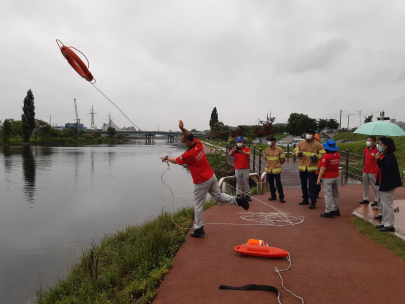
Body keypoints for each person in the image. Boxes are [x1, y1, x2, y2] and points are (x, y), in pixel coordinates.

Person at [161, 120, 249, 238]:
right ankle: (238, 200)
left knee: (198, 204)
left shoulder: (188, 154)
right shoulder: (198, 143)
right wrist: (182, 128)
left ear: (187, 142)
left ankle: (198, 229)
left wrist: (166, 157)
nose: (183, 144)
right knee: (218, 196)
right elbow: (189, 134)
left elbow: (176, 161)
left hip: (201, 181)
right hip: (211, 176)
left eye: (183, 142)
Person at [373, 136, 402, 232]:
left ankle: (389, 225)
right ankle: (385, 222)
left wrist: (378, 160)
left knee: (387, 205)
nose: (379, 146)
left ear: (386, 146)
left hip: (388, 183)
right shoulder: (385, 154)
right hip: (383, 182)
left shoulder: (390, 156)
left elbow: (385, 168)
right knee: (384, 204)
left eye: (380, 144)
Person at [294, 128, 325, 209]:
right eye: (307, 133)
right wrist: (298, 153)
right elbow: (294, 152)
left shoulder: (318, 144)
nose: (308, 135)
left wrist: (317, 156)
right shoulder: (301, 143)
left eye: (310, 133)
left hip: (312, 168)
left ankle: (313, 201)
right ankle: (305, 199)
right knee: (303, 185)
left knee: (312, 186)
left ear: (313, 135)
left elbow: (323, 153)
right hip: (302, 168)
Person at [316, 139, 341, 218]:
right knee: (335, 194)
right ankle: (336, 209)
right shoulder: (338, 155)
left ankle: (328, 211)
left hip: (328, 177)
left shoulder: (326, 156)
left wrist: (319, 178)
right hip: (336, 176)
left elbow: (323, 168)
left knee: (328, 195)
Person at [229, 136, 252, 201]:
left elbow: (249, 154)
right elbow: (230, 154)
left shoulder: (246, 148)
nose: (239, 143)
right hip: (237, 168)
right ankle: (238, 195)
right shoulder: (234, 149)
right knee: (238, 182)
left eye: (240, 142)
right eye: (238, 142)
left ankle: (247, 195)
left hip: (245, 167)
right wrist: (233, 150)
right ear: (236, 142)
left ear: (242, 142)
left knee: (246, 181)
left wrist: (243, 152)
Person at [264, 136, 286, 203]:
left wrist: (278, 164)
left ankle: (281, 197)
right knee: (271, 183)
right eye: (268, 141)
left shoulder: (279, 149)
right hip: (269, 169)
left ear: (274, 141)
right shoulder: (267, 150)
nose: (269, 142)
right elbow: (266, 158)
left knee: (278, 183)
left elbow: (283, 159)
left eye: (270, 141)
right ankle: (273, 196)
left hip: (276, 169)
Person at [359, 136, 379, 206]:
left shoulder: (377, 150)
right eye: (367, 140)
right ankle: (365, 198)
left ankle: (377, 200)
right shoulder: (366, 150)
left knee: (374, 186)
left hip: (373, 170)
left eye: (369, 140)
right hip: (365, 170)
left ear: (373, 142)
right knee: (365, 185)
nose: (367, 142)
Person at [314, 133, 322, 198]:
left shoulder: (320, 147)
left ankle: (316, 193)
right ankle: (313, 193)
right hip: (311, 168)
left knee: (317, 182)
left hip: (318, 169)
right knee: (312, 182)